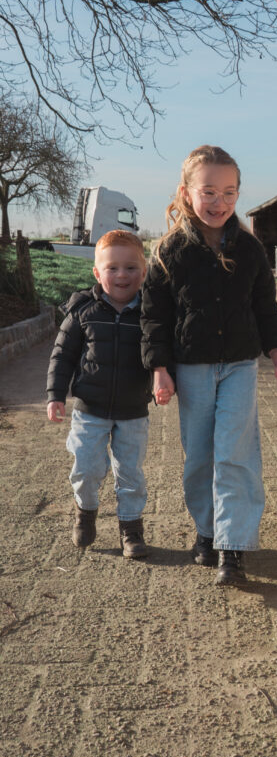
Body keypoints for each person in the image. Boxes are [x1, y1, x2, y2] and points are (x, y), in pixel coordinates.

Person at [141, 145, 277, 585]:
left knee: (236, 453)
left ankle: (233, 545)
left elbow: (266, 307)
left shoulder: (249, 249)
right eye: (208, 191)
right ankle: (207, 531)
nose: (219, 202)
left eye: (229, 192)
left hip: (241, 367)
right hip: (192, 369)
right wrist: (159, 367)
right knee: (200, 456)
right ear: (187, 193)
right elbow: (154, 317)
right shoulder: (169, 251)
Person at [46, 229, 153, 558]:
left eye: (131, 267)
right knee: (87, 466)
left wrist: (168, 379)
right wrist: (55, 395)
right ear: (97, 272)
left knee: (130, 472)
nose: (122, 275)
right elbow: (62, 356)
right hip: (89, 409)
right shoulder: (82, 311)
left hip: (134, 410)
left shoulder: (150, 315)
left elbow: (162, 353)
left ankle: (131, 529)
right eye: (112, 268)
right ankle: (85, 512)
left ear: (144, 271)